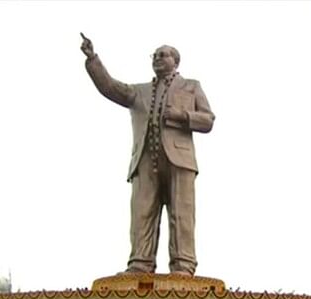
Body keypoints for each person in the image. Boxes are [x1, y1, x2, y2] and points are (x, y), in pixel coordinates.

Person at [80, 33, 216, 276]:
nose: (157, 58)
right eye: (154, 55)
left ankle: (183, 266)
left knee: (182, 215)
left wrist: (183, 117)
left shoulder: (191, 86)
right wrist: (93, 59)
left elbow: (208, 120)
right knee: (142, 211)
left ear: (176, 60)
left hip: (180, 160)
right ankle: (140, 264)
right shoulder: (139, 92)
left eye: (163, 55)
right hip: (145, 159)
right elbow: (110, 87)